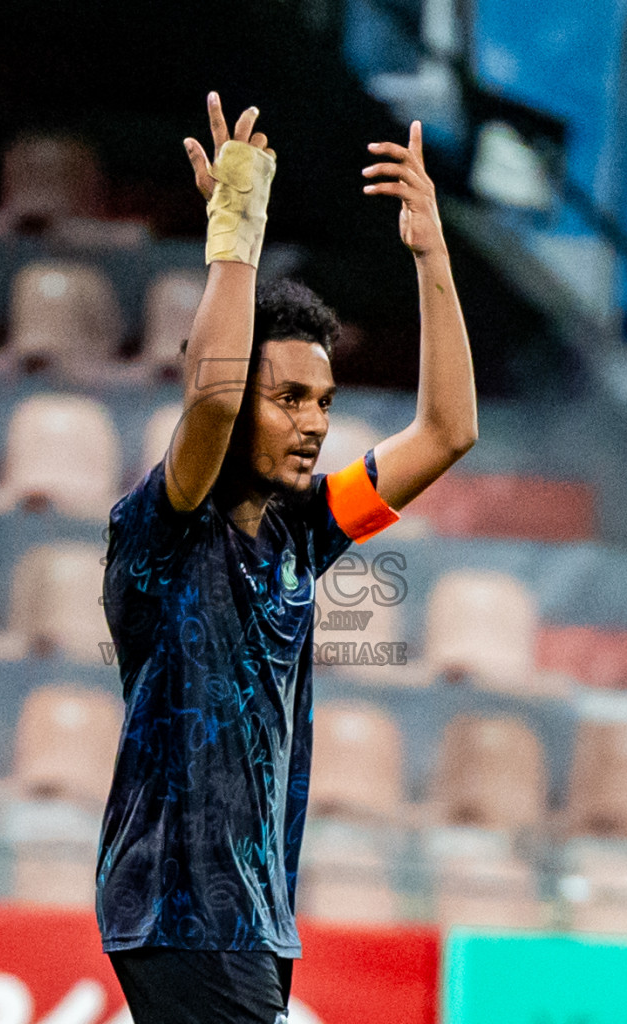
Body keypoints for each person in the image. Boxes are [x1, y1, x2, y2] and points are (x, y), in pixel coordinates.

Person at [97, 90, 478, 1024]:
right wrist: (237, 229)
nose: (313, 423)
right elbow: (216, 405)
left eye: (324, 400)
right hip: (182, 913)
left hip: (256, 918)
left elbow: (448, 430)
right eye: (291, 398)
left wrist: (432, 256)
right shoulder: (164, 525)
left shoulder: (305, 530)